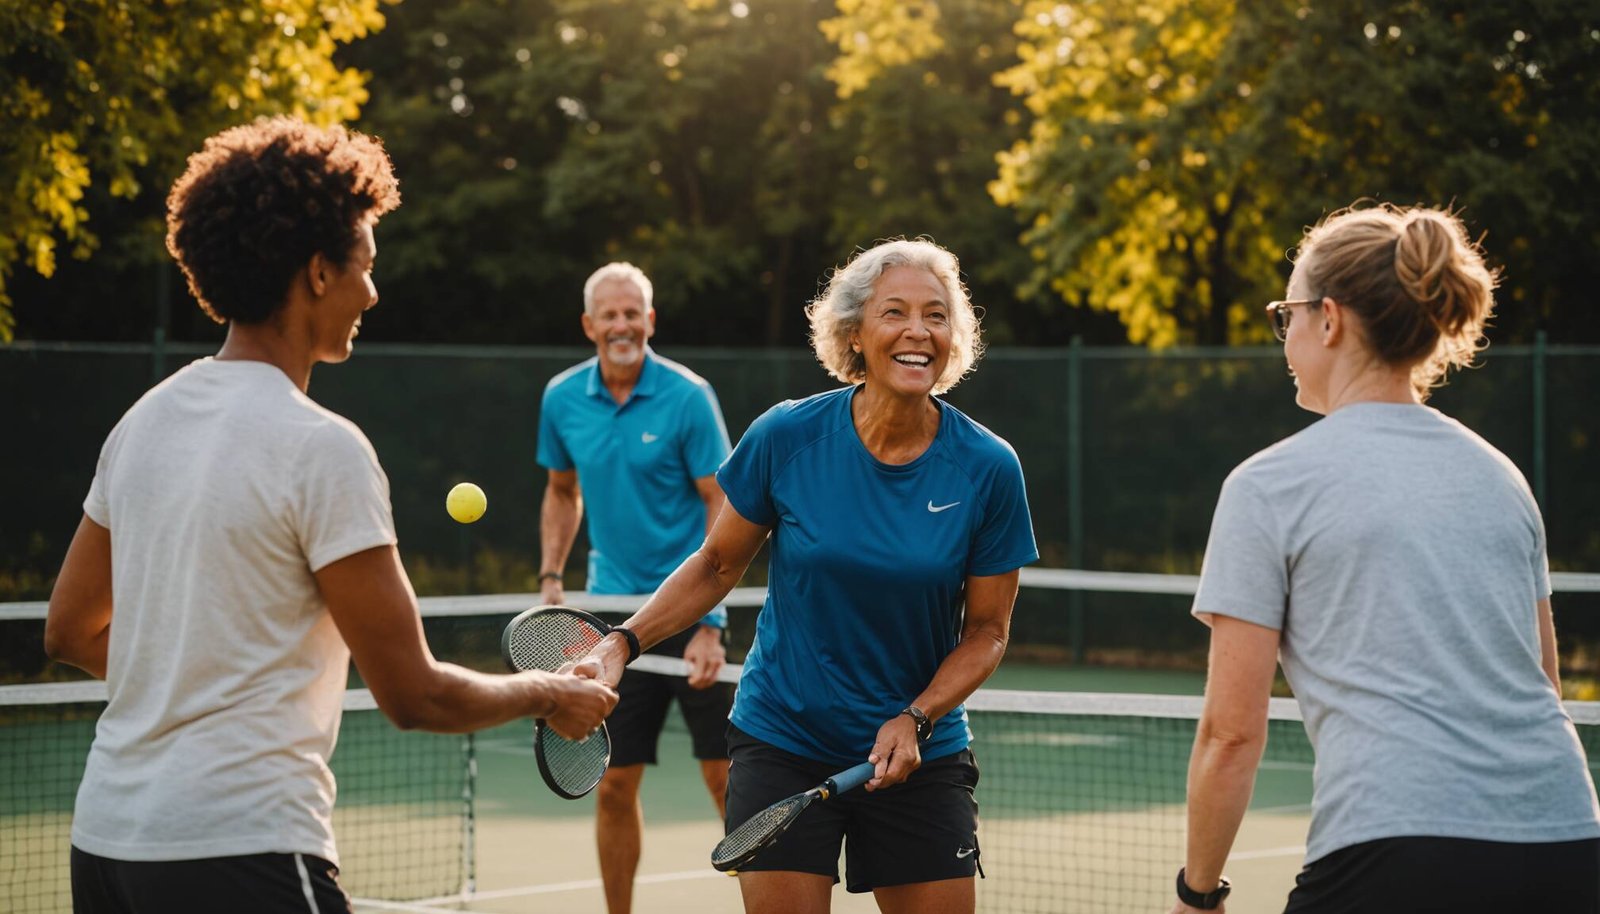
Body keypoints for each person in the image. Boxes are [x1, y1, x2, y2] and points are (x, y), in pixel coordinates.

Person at [43, 117, 617, 914]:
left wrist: (189, 679)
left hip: (105, 846)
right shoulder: (324, 448)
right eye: (366, 267)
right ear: (318, 272)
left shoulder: (142, 422)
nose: (372, 293)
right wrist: (551, 693)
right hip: (241, 849)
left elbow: (68, 631)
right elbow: (414, 696)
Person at [573, 238, 1039, 914]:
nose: (918, 331)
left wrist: (917, 717)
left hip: (919, 753)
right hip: (782, 740)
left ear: (955, 336)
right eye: (895, 313)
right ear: (854, 332)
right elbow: (715, 563)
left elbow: (989, 631)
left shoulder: (989, 468)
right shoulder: (786, 436)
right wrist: (621, 642)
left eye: (936, 316)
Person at [1172, 203, 1600, 914]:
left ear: (1330, 320)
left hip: (1396, 851)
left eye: (1290, 315)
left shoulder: (1267, 486)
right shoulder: (1502, 477)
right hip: (1569, 842)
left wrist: (1197, 892)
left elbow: (1232, 734)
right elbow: (1543, 684)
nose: (1287, 337)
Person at [536, 261, 736, 914]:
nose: (622, 325)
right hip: (609, 615)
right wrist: (551, 578)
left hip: (691, 609)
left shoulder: (689, 396)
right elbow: (562, 492)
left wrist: (711, 623)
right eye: (610, 314)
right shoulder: (561, 399)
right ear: (589, 325)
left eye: (633, 313)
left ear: (650, 321)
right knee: (613, 786)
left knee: (727, 780)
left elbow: (722, 507)